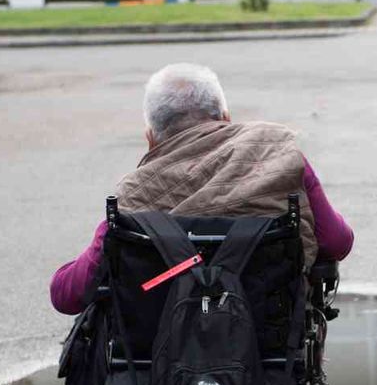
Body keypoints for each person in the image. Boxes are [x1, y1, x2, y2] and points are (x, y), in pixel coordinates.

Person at [50, 63, 354, 315]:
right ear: (225, 119)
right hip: (271, 337)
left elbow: (67, 297)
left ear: (151, 138)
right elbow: (337, 242)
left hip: (163, 351)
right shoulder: (278, 156)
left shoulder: (133, 194)